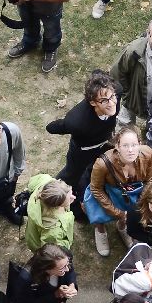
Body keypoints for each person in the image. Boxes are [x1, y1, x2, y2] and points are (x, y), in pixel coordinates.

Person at [45, 69, 119, 205]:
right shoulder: (77, 122)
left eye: (112, 97)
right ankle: (56, 195)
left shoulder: (114, 97)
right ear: (92, 102)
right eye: (104, 100)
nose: (111, 103)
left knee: (98, 168)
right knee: (72, 174)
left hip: (104, 142)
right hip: (83, 150)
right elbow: (54, 127)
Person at [83, 124, 152, 256]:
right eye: (125, 145)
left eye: (134, 144)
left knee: (127, 215)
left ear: (140, 143)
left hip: (131, 192)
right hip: (107, 191)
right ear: (117, 146)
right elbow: (96, 189)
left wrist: (140, 202)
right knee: (100, 215)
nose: (131, 150)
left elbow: (150, 180)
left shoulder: (148, 154)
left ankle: (122, 228)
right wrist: (117, 212)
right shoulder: (102, 164)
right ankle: (100, 230)